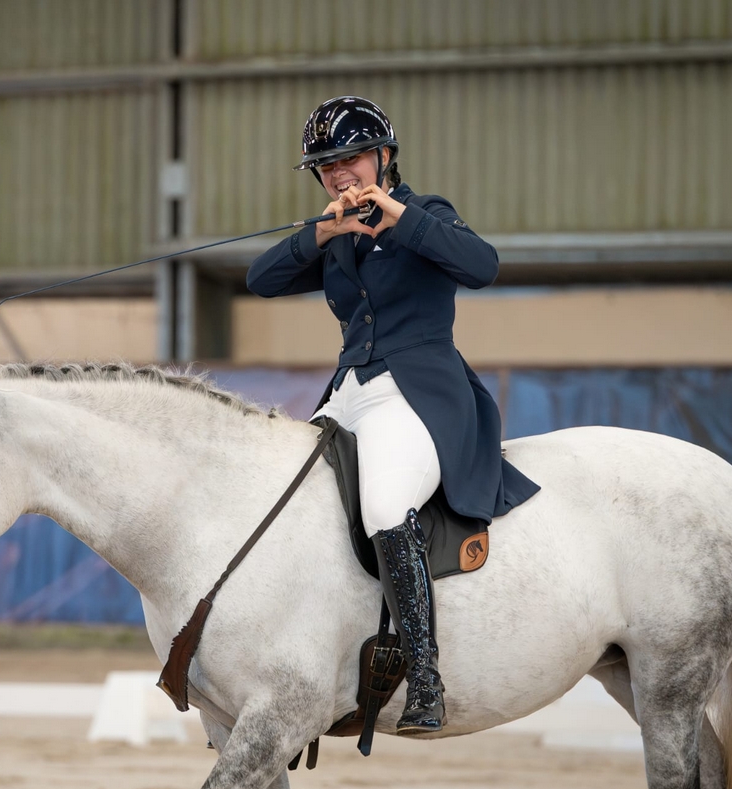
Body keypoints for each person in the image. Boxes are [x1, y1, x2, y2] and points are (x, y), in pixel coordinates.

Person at [246, 96, 539, 735]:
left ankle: (424, 675)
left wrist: (398, 217)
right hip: (348, 392)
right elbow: (260, 279)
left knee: (383, 506)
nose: (340, 174)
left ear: (384, 157)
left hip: (417, 393)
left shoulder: (427, 216)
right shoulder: (339, 239)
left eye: (350, 159)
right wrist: (323, 231)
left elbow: (482, 265)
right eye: (326, 166)